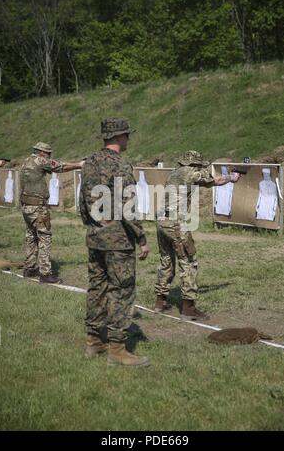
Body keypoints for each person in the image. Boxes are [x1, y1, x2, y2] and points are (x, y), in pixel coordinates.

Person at [79, 117, 150, 367]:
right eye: (127, 135)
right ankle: (117, 350)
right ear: (119, 137)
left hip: (95, 237)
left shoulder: (89, 163)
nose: (129, 139)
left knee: (97, 288)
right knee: (121, 290)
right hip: (118, 241)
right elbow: (128, 206)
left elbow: (82, 202)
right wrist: (141, 237)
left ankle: (94, 341)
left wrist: (92, 226)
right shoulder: (121, 165)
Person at [154, 150, 241, 320]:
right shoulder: (189, 173)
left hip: (161, 222)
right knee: (189, 262)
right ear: (194, 164)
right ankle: (188, 307)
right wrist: (232, 177)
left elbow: (205, 180)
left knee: (166, 261)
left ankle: (160, 301)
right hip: (175, 224)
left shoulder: (175, 173)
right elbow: (215, 180)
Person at [19, 142, 84, 283]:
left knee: (31, 236)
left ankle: (29, 268)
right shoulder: (40, 160)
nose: (49, 156)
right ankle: (45, 273)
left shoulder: (26, 161)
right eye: (48, 153)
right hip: (37, 207)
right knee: (44, 237)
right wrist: (79, 164)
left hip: (26, 206)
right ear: (42, 153)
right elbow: (59, 166)